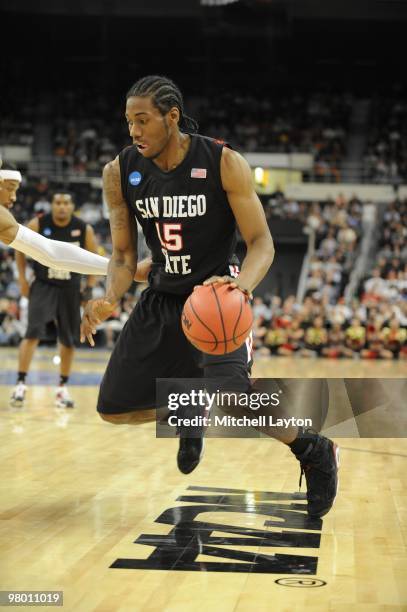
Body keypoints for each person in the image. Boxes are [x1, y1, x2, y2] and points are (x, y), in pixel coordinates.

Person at [80, 75, 339, 518]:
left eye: (143, 120)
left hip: (215, 296)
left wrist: (242, 286)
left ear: (172, 117)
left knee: (235, 397)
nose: (134, 131)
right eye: (128, 122)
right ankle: (189, 411)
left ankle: (313, 448)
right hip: (162, 298)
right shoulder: (119, 172)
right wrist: (108, 297)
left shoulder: (222, 161)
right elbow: (123, 255)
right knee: (113, 411)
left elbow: (261, 242)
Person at [10, 191, 100, 408]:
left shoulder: (83, 228)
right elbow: (19, 249)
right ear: (52, 205)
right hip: (43, 285)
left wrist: (88, 290)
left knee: (68, 340)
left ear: (72, 206)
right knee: (32, 333)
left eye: (66, 203)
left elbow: (95, 258)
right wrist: (22, 278)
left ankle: (62, 389)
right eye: (57, 202)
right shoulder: (39, 223)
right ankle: (20, 384)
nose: (61, 206)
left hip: (70, 288)